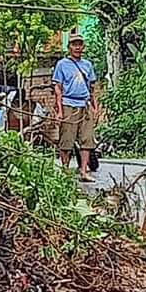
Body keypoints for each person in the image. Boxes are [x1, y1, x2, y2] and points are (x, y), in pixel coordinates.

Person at [52, 31, 99, 182]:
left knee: (87, 140)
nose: (77, 47)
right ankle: (65, 171)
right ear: (69, 47)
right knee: (66, 140)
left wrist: (95, 107)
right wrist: (59, 110)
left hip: (84, 104)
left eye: (80, 44)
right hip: (68, 104)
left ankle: (84, 171)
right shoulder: (62, 64)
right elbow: (58, 88)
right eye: (74, 44)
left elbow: (92, 88)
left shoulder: (88, 65)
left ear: (83, 47)